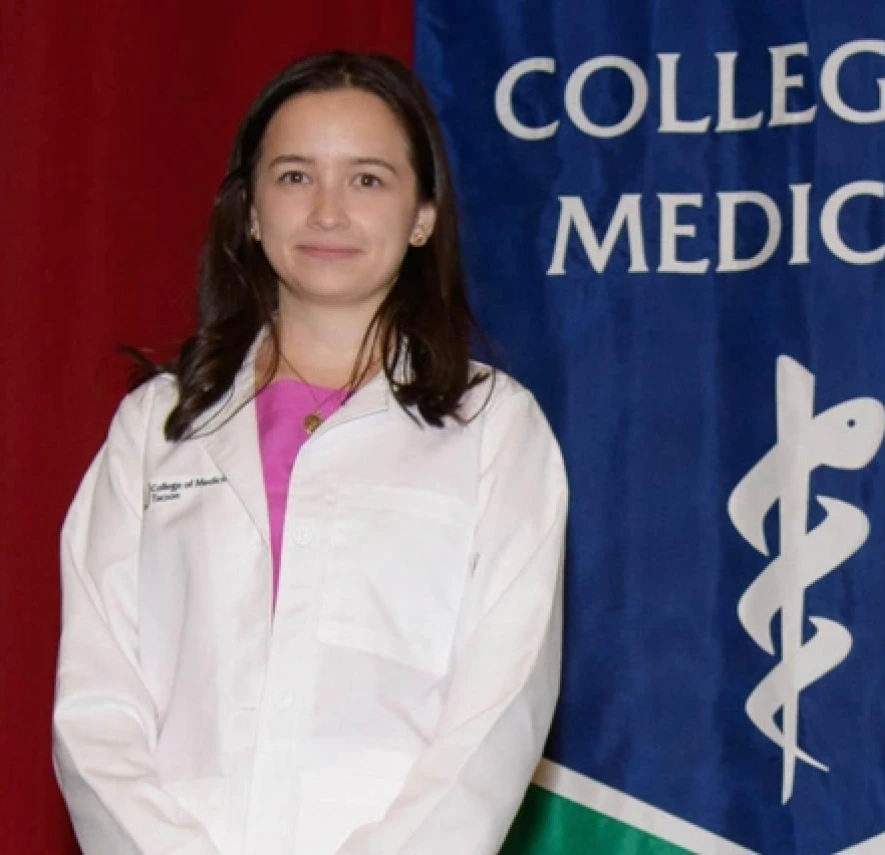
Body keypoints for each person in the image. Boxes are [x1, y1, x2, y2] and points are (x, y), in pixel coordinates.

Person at [52, 51, 568, 855]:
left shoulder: (496, 427)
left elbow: (498, 711)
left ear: (423, 214)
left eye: (367, 179)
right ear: (251, 210)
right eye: (295, 177)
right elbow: (95, 703)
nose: (328, 212)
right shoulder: (155, 428)